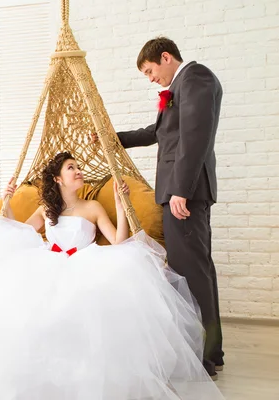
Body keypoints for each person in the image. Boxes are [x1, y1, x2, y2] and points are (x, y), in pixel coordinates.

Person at [0, 152, 225, 400]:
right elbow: (15, 231)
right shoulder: (47, 209)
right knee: (17, 302)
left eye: (78, 167)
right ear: (58, 178)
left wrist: (121, 203)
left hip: (85, 263)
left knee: (89, 303)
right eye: (71, 168)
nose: (78, 171)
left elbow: (117, 241)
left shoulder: (94, 206)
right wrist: (5, 201)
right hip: (45, 262)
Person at [112, 36, 224, 379]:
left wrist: (180, 191)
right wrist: (114, 137)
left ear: (165, 57)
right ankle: (204, 349)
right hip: (176, 193)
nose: (150, 78)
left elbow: (195, 138)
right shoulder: (177, 89)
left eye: (149, 70)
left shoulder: (197, 79)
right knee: (187, 271)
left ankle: (206, 355)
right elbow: (158, 132)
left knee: (194, 274)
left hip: (184, 195)